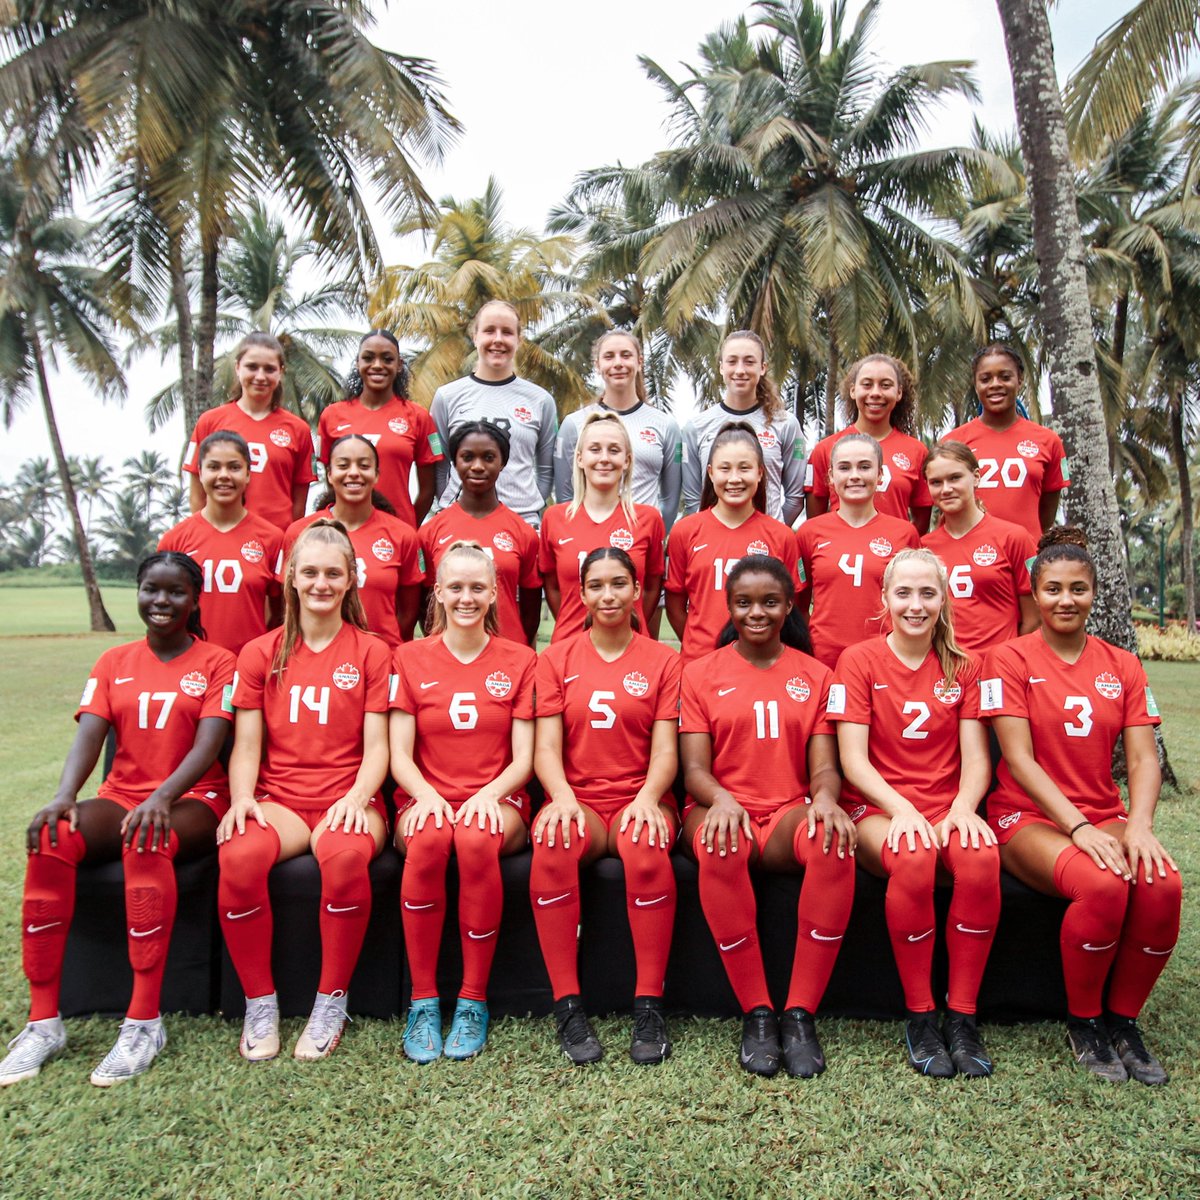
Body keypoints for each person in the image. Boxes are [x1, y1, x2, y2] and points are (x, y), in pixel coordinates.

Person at [0, 553, 235, 1088]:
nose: (161, 601)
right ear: (139, 591)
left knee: (147, 838)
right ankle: (43, 1023)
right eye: (151, 589)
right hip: (122, 795)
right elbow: (90, 735)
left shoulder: (218, 661)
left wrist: (163, 797)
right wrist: (64, 797)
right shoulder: (113, 661)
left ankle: (143, 1022)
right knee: (53, 837)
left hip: (194, 799)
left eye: (175, 592)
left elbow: (209, 744)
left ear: (195, 600)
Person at [981, 528, 1180, 1085]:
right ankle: (1085, 1022)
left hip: (1103, 814)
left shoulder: (1124, 665)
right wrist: (1077, 828)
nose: (1065, 600)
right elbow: (1018, 759)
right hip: (1026, 817)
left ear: (1095, 593)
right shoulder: (1007, 658)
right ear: (1034, 592)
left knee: (1162, 885)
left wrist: (1139, 827)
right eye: (1053, 589)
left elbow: (1142, 759)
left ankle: (1123, 1022)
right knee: (1103, 884)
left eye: (1078, 589)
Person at [216, 520, 392, 1062]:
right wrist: (242, 798)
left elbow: (379, 747)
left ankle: (330, 1001)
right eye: (310, 572)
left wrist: (356, 799)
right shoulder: (259, 652)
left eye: (333, 574)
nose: (321, 583)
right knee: (238, 857)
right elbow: (247, 744)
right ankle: (260, 1002)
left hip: (350, 796)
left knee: (345, 858)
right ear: (290, 576)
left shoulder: (372, 651)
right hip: (282, 801)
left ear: (350, 580)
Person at [680, 556, 857, 1078]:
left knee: (831, 841)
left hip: (785, 815)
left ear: (789, 607)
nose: (756, 612)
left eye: (769, 602)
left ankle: (799, 1014)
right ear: (729, 607)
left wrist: (824, 800)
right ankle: (757, 1012)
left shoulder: (816, 675)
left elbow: (824, 768)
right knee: (721, 844)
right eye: (744, 602)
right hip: (720, 807)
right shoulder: (700, 674)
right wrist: (721, 799)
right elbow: (694, 769)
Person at [829, 549, 997, 1078]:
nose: (915, 605)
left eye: (927, 593)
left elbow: (977, 759)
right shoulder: (857, 660)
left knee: (981, 859)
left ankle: (963, 1018)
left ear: (944, 599)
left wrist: (963, 808)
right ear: (885, 598)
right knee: (914, 856)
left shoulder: (965, 666)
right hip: (878, 809)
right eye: (903, 593)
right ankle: (921, 1015)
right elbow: (853, 762)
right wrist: (903, 809)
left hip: (945, 806)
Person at [531, 548, 682, 1065]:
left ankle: (649, 1005)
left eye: (619, 583)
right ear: (582, 593)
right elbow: (546, 747)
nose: (608, 595)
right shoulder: (555, 658)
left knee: (647, 849)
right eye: (596, 585)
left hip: (641, 795)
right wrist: (562, 797)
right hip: (581, 801)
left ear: (637, 590)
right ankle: (568, 1006)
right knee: (553, 845)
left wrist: (648, 798)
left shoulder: (664, 660)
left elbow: (666, 750)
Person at [390, 542, 537, 1062]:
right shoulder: (409, 658)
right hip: (425, 794)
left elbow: (525, 759)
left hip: (498, 798)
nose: (466, 597)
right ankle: (424, 1001)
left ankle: (473, 1000)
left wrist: (486, 795)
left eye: (477, 587)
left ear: (494, 592)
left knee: (475, 839)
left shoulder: (521, 660)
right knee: (429, 839)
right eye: (455, 587)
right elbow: (398, 753)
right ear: (438, 592)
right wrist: (427, 795)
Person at [666, 422, 801, 662]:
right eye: (725, 469)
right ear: (710, 473)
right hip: (700, 664)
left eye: (744, 468)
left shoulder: (782, 536)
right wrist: (701, 649)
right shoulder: (685, 532)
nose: (734, 478)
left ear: (760, 472)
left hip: (760, 666)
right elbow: (675, 607)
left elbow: (791, 607)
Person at [282, 434, 422, 649]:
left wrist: (384, 650)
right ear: (329, 474)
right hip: (317, 656)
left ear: (376, 475)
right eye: (343, 465)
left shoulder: (402, 535)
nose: (354, 472)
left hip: (384, 656)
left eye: (364, 466)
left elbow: (408, 613)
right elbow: (287, 604)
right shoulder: (300, 532)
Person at [796, 432, 922, 669]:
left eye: (864, 467)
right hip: (824, 661)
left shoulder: (905, 534)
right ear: (831, 476)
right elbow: (800, 604)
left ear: (880, 474)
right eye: (844, 468)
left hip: (885, 660)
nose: (854, 475)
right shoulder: (809, 533)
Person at [431, 300, 557, 527]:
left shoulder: (541, 400)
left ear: (519, 340)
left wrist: (525, 507)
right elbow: (439, 466)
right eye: (489, 331)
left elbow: (546, 470)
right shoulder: (447, 397)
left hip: (522, 523)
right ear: (475, 336)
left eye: (507, 332)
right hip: (461, 524)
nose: (498, 339)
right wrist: (450, 507)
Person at [540, 411, 665, 642]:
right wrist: (576, 627)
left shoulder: (648, 519)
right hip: (569, 647)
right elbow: (553, 588)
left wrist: (626, 622)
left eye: (614, 450)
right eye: (595, 449)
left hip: (629, 646)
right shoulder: (554, 518)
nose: (604, 458)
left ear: (627, 460)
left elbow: (651, 589)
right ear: (580, 458)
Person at [159, 431, 283, 654]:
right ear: (200, 472)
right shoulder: (174, 540)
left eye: (234, 467)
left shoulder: (273, 539)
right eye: (214, 467)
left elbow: (280, 614)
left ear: (248, 474)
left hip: (249, 666)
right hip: (191, 666)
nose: (224, 475)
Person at [420, 421, 542, 645]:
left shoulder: (523, 533)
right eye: (467, 457)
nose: (477, 466)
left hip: (508, 654)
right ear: (455, 462)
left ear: (502, 462)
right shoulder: (430, 532)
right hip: (449, 655)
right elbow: (425, 606)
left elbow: (531, 611)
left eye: (488, 457)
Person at [183, 332, 316, 532]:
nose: (260, 376)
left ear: (281, 372)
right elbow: (197, 495)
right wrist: (208, 536)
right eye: (252, 367)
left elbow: (299, 503)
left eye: (269, 369)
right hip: (223, 537)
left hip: (276, 542)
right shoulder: (209, 422)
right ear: (238, 367)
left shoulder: (298, 430)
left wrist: (287, 542)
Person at [555, 331, 683, 531]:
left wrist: (651, 536)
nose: (618, 363)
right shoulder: (573, 424)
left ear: (639, 362)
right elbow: (565, 497)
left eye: (626, 355)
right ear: (597, 365)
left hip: (641, 539)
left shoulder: (666, 425)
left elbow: (670, 500)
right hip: (588, 539)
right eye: (609, 357)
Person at [920, 440, 1039, 653]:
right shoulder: (924, 548)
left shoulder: (1014, 537)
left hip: (999, 666)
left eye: (955, 478)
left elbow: (1033, 618)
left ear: (976, 477)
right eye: (936, 482)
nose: (946, 489)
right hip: (944, 666)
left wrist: (1010, 660)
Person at [316, 329, 443, 528]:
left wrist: (407, 527)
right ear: (358, 363)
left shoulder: (419, 417)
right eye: (368, 358)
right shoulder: (331, 415)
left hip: (397, 531)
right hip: (344, 531)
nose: (377, 365)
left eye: (387, 359)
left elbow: (428, 489)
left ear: (399, 365)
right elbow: (331, 479)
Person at [947, 343, 1069, 539]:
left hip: (1028, 552)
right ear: (975, 384)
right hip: (968, 551)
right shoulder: (952, 442)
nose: (995, 384)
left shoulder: (1049, 441)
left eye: (1005, 377)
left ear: (1019, 379)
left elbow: (1046, 516)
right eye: (985, 379)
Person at [682, 330, 804, 525]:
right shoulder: (695, 427)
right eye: (732, 361)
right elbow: (693, 500)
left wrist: (772, 532)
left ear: (762, 368)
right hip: (713, 540)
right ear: (721, 367)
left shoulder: (786, 424)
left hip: (766, 541)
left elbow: (795, 498)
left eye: (749, 362)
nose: (740, 370)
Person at [804, 354, 931, 532]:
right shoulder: (825, 449)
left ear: (899, 392)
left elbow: (921, 523)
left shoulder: (917, 451)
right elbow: (815, 524)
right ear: (853, 390)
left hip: (896, 550)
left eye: (885, 385)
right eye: (867, 384)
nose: (876, 393)